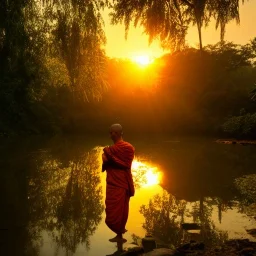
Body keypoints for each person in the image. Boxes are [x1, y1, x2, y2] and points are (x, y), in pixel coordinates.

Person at [102, 124, 135, 243]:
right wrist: (106, 156)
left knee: (121, 209)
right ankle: (118, 235)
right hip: (112, 182)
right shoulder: (111, 148)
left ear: (120, 133)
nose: (111, 135)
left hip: (122, 182)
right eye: (110, 132)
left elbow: (125, 165)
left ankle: (120, 235)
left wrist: (109, 155)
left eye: (114, 132)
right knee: (111, 208)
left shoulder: (128, 147)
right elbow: (105, 163)